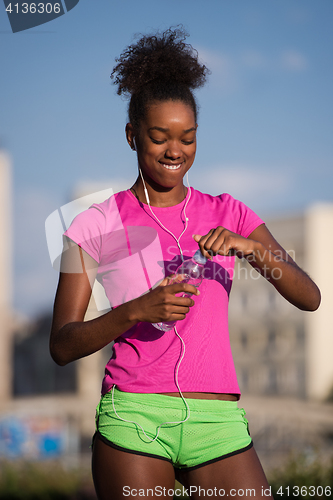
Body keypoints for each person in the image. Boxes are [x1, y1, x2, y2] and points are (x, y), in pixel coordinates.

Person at [50, 27, 321, 500]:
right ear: (133, 135)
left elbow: (310, 297)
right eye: (159, 137)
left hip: (218, 423)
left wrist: (253, 250)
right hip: (135, 417)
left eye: (187, 138)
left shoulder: (231, 213)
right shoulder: (95, 223)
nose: (175, 151)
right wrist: (134, 311)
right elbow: (62, 344)